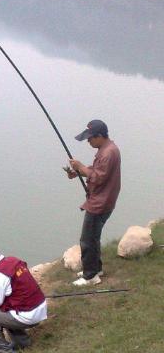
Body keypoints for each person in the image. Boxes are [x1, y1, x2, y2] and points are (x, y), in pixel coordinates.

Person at [65, 119, 121, 286]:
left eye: (90, 138)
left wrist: (80, 166)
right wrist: (78, 173)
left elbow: (98, 177)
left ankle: (90, 276)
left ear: (99, 136)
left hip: (100, 203)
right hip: (101, 200)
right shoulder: (106, 149)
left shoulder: (108, 152)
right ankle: (96, 268)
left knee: (87, 239)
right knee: (93, 237)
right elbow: (97, 172)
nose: (88, 141)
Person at [0, 242, 47, 353]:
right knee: (4, 309)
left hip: (29, 315)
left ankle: (2, 351)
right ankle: (23, 343)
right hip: (40, 307)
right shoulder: (13, 260)